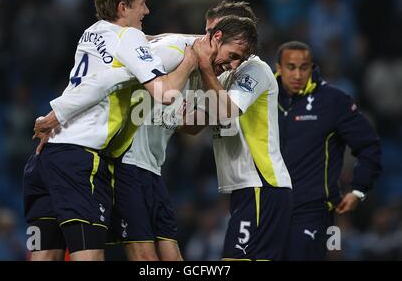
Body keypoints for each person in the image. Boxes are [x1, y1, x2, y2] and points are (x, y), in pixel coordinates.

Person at [34, 14, 259, 261]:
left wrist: (198, 107)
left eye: (241, 60)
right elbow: (110, 77)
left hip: (151, 166)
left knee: (171, 257)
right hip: (127, 163)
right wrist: (60, 116)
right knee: (143, 257)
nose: (234, 65)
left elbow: (193, 125)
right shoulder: (175, 52)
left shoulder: (205, 68)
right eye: (234, 56)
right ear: (216, 37)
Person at [24, 0, 198, 261]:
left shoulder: (91, 32)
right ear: (123, 8)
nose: (147, 11)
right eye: (141, 4)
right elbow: (165, 93)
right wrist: (189, 61)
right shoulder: (128, 36)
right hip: (81, 160)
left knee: (44, 257)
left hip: (47, 156)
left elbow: (125, 59)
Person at [180, 1, 293, 261]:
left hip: (263, 185)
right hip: (246, 189)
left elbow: (228, 110)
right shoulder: (222, 76)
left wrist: (205, 67)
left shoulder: (256, 69)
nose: (206, 39)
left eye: (212, 32)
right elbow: (194, 125)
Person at [275, 41, 382, 260]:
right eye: (290, 67)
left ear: (312, 67)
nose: (297, 74)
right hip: (268, 210)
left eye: (303, 67)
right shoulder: (264, 100)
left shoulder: (333, 101)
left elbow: (369, 145)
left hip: (312, 211)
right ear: (278, 68)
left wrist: (358, 190)